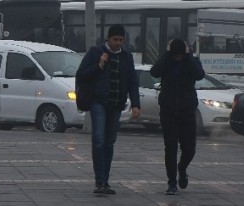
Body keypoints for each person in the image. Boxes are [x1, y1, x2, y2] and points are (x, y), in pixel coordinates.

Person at [76, 24, 141, 195]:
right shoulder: (95, 52)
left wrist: (135, 104)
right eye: (115, 40)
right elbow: (81, 74)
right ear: (108, 39)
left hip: (116, 104)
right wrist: (99, 65)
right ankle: (99, 181)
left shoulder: (126, 56)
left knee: (109, 141)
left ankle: (105, 180)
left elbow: (133, 81)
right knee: (98, 139)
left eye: (121, 40)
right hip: (98, 101)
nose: (117, 43)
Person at [150, 38, 205, 195]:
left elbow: (199, 74)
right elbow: (154, 71)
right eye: (175, 55)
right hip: (168, 110)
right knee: (171, 148)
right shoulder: (167, 61)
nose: (178, 58)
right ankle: (172, 182)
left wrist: (187, 56)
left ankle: (182, 167)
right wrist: (167, 54)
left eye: (180, 55)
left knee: (189, 148)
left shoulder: (191, 61)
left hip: (187, 110)